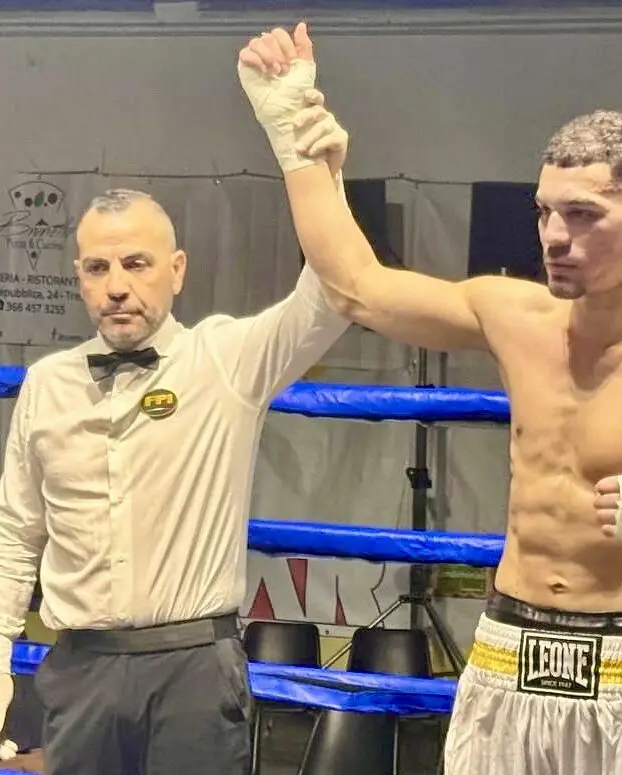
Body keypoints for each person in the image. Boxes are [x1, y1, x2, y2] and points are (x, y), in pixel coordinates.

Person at [237, 24, 622, 775]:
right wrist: (295, 142)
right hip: (505, 657)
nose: (553, 236)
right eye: (544, 211)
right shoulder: (516, 317)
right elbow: (358, 289)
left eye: (582, 214)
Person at [0, 95, 352, 772]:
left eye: (136, 263)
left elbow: (331, 298)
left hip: (193, 667)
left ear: (177, 269)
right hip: (79, 665)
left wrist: (317, 171)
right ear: (79, 278)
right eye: (98, 268)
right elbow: (15, 531)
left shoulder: (226, 360)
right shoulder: (47, 384)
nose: (117, 286)